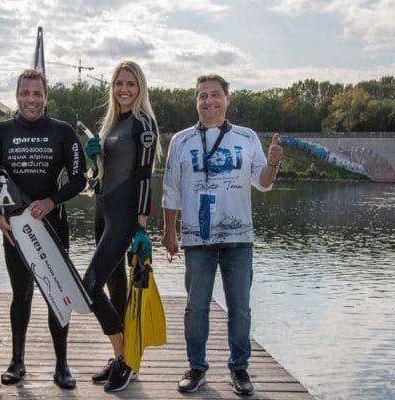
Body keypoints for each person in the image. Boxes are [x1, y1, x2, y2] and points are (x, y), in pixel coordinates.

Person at [162, 74, 283, 395]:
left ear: (227, 99)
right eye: (202, 95)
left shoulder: (246, 137)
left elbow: (264, 182)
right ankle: (196, 368)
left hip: (238, 238)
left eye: (215, 95)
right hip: (196, 240)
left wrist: (272, 163)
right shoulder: (181, 140)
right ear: (196, 101)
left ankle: (240, 369)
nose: (209, 101)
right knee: (195, 307)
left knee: (240, 307)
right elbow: (171, 189)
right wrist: (168, 232)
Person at [0, 68, 86, 389]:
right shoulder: (1, 132)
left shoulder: (63, 132)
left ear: (46, 97)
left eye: (37, 93)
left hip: (53, 226)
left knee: (59, 297)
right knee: (21, 295)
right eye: (25, 93)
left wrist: (52, 201)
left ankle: (62, 365)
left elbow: (80, 178)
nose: (31, 99)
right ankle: (17, 361)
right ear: (17, 95)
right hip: (16, 230)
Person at [82, 60, 159, 392]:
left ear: (140, 87)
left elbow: (143, 177)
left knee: (90, 285)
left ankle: (125, 358)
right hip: (104, 209)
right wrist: (94, 158)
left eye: (130, 84)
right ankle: (123, 359)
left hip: (125, 215)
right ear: (111, 88)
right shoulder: (113, 122)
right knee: (115, 288)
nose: (124, 89)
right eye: (118, 84)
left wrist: (141, 225)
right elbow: (105, 175)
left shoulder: (144, 123)